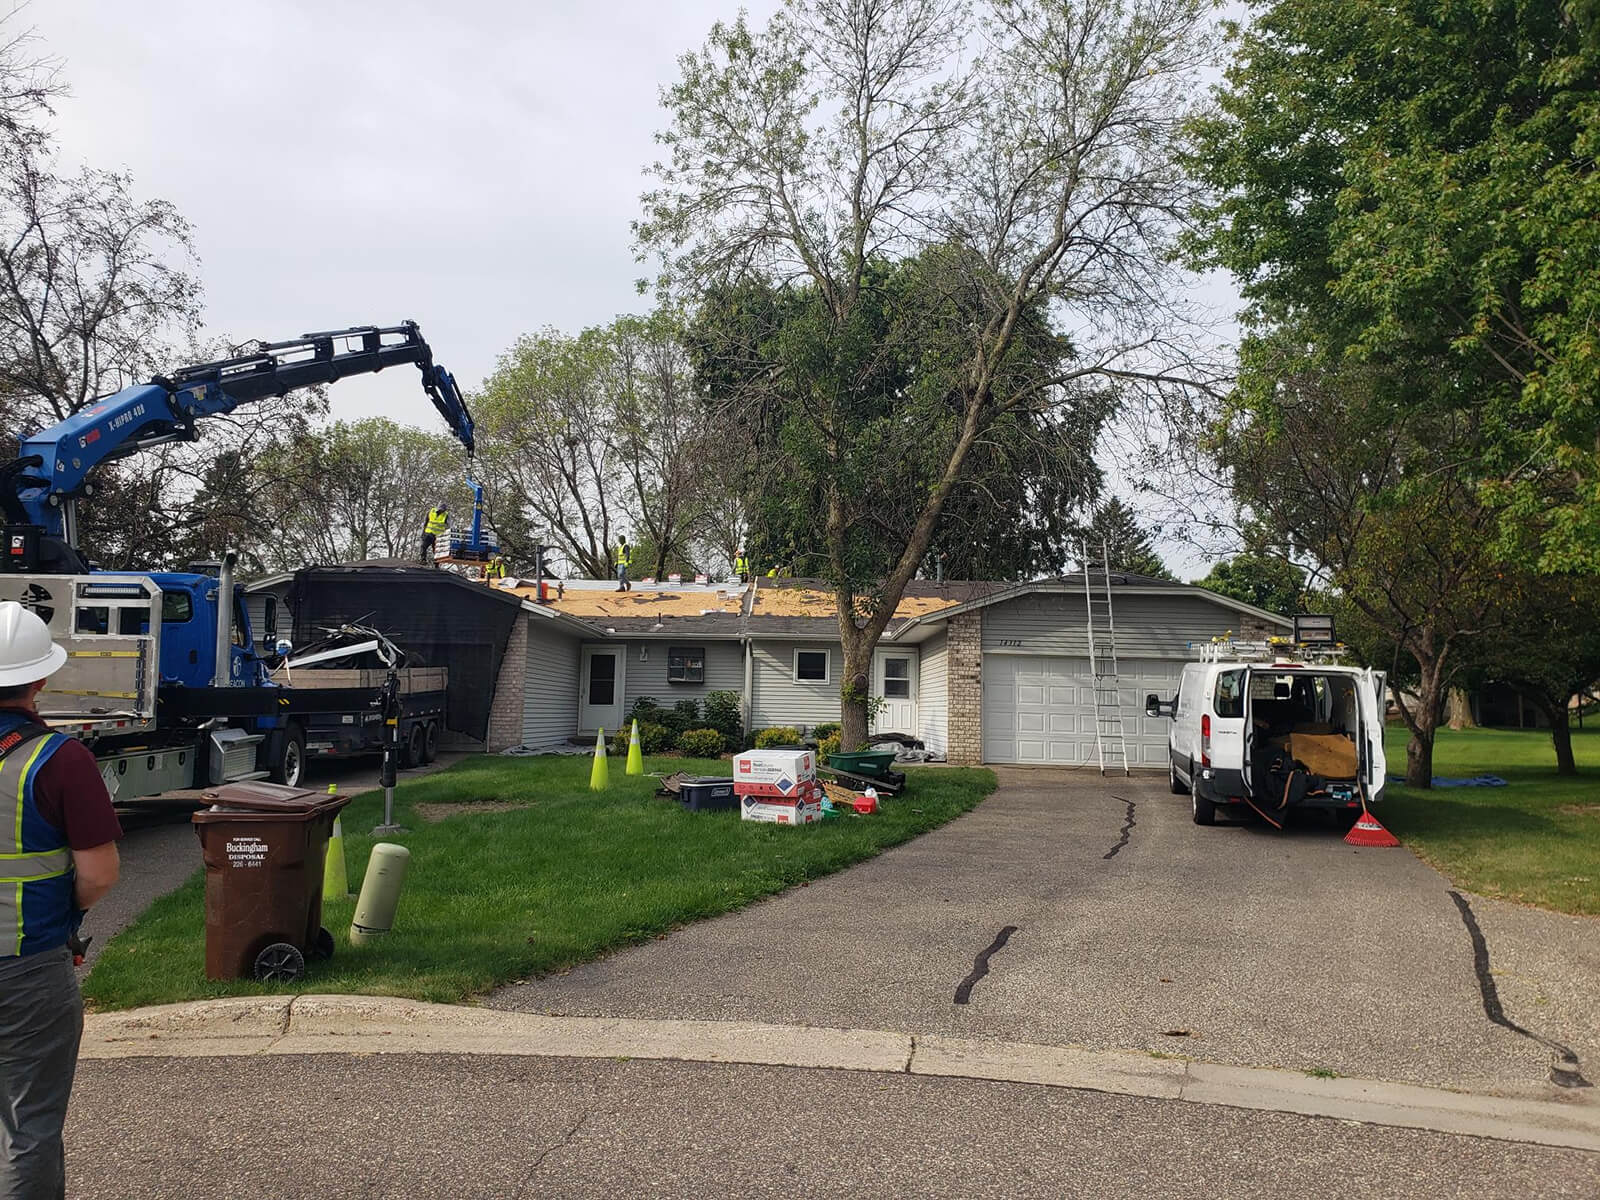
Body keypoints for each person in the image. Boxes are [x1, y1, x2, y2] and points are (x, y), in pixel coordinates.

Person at [0, 601, 120, 1199]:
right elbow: (99, 874)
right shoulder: (60, 760)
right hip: (26, 969)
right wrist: (66, 915)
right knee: (29, 1128)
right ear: (41, 678)